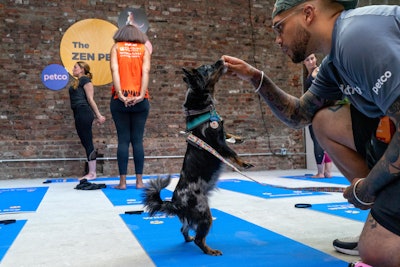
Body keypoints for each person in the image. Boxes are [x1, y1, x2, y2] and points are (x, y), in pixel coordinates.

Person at [222, 0, 400, 266]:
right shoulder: (334, 64)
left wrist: (368, 188)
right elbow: (300, 115)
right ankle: (383, 219)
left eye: (280, 27)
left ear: (307, 14)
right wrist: (256, 77)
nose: (278, 40)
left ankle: (385, 228)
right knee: (323, 122)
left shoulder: (357, 36)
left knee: (375, 250)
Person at [110, 24, 151, 190]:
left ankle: (122, 182)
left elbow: (115, 70)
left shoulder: (116, 47)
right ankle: (140, 182)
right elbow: (146, 71)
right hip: (141, 100)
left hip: (120, 100)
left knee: (123, 140)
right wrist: (141, 95)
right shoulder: (143, 49)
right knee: (137, 141)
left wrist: (120, 94)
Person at [69, 61, 106, 180]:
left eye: (75, 67)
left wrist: (99, 116)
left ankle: (92, 173)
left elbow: (90, 99)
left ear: (82, 69)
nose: (73, 69)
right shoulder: (77, 82)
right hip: (78, 113)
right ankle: (91, 172)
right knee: (85, 142)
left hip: (84, 112)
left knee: (88, 142)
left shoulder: (86, 81)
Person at [303, 53, 333, 178]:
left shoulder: (317, 71)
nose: (311, 61)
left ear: (316, 59)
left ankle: (320, 172)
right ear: (304, 63)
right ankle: (327, 171)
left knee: (317, 141)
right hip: (318, 110)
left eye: (312, 58)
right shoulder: (309, 74)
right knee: (324, 141)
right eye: (308, 60)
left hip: (317, 112)